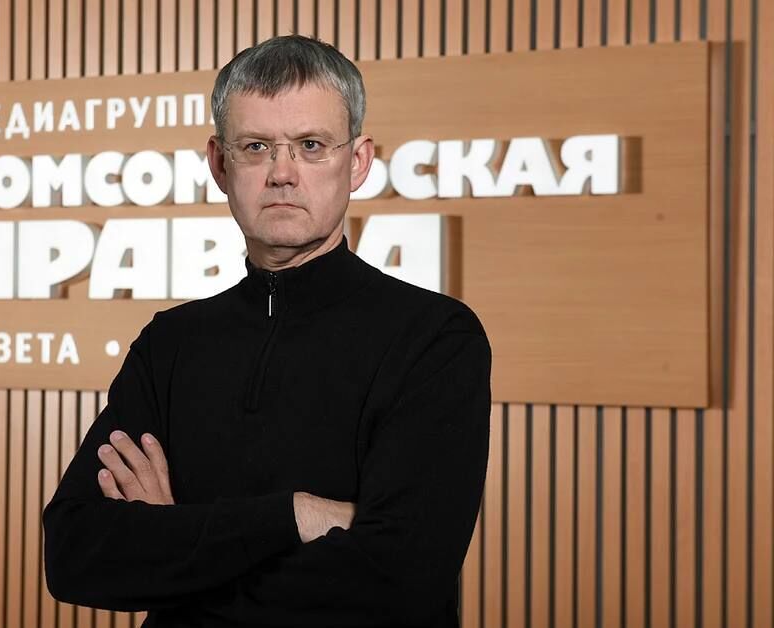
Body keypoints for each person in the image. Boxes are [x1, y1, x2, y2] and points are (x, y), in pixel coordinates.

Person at [43, 34, 491, 628]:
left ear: (358, 162)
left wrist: (175, 546)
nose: (282, 174)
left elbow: (397, 586)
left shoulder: (435, 339)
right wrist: (294, 516)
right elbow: (73, 553)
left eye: (311, 145)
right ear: (219, 164)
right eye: (256, 147)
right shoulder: (170, 344)